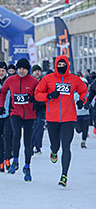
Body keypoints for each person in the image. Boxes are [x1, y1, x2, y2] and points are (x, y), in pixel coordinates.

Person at [35, 55, 87, 187]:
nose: (61, 67)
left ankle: (64, 175)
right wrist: (48, 95)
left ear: (67, 65)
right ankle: (53, 151)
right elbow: (37, 94)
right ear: (56, 65)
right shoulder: (48, 79)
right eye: (59, 65)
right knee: (55, 145)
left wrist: (82, 101)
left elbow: (84, 91)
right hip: (52, 118)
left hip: (68, 118)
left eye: (64, 65)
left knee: (66, 146)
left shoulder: (74, 79)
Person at [0, 58, 39, 181]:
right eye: (20, 68)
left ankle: (27, 166)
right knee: (16, 134)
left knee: (28, 142)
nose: (21, 71)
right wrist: (1, 106)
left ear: (28, 70)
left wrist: (35, 100)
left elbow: (40, 94)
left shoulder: (34, 81)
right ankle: (15, 161)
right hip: (15, 113)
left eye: (24, 69)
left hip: (30, 115)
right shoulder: (11, 80)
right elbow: (3, 91)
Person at [31, 64, 46, 155]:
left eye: (38, 71)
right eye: (35, 71)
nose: (37, 72)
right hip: (32, 107)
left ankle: (38, 146)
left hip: (42, 107)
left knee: (40, 126)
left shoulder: (44, 81)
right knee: (33, 127)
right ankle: (31, 145)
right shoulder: (30, 81)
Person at [75, 78, 90, 149]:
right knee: (78, 130)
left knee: (85, 129)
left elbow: (92, 103)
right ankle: (78, 129)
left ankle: (83, 142)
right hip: (77, 114)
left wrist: (88, 105)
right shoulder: (75, 95)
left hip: (86, 114)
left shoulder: (88, 95)